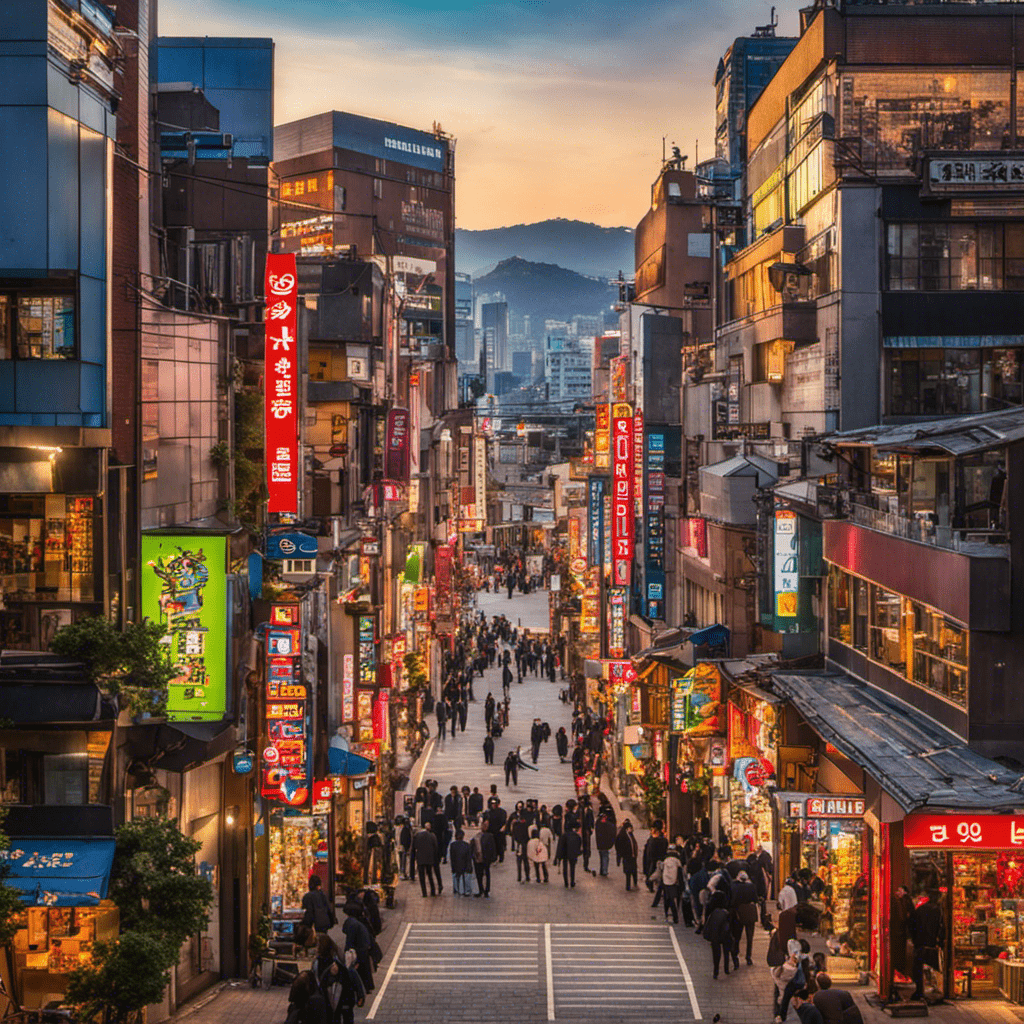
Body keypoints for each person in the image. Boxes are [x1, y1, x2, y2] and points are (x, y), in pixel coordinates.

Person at [311, 934, 364, 1024]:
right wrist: (360, 994)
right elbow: (353, 975)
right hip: (344, 999)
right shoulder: (339, 959)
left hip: (328, 1001)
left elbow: (315, 980)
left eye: (317, 946)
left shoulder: (317, 963)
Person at [909, 890, 944, 1002]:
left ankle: (920, 991)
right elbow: (941, 927)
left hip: (920, 943)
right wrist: (940, 941)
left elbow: (912, 925)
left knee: (919, 968)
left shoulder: (920, 909)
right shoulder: (938, 911)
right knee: (933, 968)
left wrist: (914, 940)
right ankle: (934, 991)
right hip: (932, 944)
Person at [341, 900, 376, 995]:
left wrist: (347, 952)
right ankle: (367, 987)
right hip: (363, 948)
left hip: (359, 949)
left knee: (357, 970)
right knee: (364, 970)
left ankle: (359, 988)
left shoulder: (352, 923)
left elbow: (349, 940)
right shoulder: (358, 923)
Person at [730, 869, 759, 967]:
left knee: (737, 936)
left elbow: (732, 901)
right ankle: (748, 957)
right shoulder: (751, 886)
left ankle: (735, 956)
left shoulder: (734, 886)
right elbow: (755, 899)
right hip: (750, 912)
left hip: (739, 912)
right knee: (750, 937)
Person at [703, 889, 732, 979]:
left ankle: (716, 971)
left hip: (714, 933)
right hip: (725, 933)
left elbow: (706, 919)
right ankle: (726, 968)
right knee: (726, 951)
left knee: (716, 953)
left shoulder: (711, 909)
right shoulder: (726, 911)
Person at [891, 885, 915, 985]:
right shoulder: (900, 901)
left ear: (905, 892)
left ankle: (901, 973)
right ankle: (900, 973)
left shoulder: (904, 902)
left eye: (900, 890)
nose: (897, 892)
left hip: (902, 932)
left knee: (901, 954)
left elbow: (904, 917)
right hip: (902, 932)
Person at [413, 821, 439, 897]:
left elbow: (415, 847)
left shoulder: (417, 836)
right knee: (430, 874)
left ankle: (424, 892)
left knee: (422, 876)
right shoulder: (432, 836)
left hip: (420, 858)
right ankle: (433, 890)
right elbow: (436, 847)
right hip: (429, 858)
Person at [554, 822, 583, 888]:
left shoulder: (563, 836)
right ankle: (572, 882)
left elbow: (559, 847)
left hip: (565, 853)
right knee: (572, 868)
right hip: (573, 854)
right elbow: (579, 846)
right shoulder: (577, 836)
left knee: (565, 867)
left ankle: (566, 882)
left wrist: (557, 857)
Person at [660, 843, 684, 924]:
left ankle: (666, 914)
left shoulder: (665, 860)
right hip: (674, 882)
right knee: (674, 899)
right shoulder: (678, 861)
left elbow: (662, 870)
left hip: (666, 881)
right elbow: (680, 874)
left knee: (667, 898)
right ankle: (675, 917)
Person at [471, 822, 496, 898]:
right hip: (481, 858)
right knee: (481, 874)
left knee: (483, 874)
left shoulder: (487, 836)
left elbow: (492, 848)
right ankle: (482, 889)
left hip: (483, 858)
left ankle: (484, 890)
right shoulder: (479, 836)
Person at [643, 822, 669, 894]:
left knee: (653, 874)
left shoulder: (652, 840)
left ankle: (651, 884)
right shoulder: (661, 840)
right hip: (657, 860)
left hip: (652, 860)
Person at [449, 828, 475, 896]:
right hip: (465, 865)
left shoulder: (453, 845)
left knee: (456, 877)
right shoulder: (466, 845)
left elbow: (452, 857)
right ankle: (467, 891)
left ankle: (456, 890)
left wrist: (453, 867)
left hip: (456, 865)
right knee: (466, 878)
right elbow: (469, 857)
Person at [615, 820, 638, 891]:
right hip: (627, 856)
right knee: (628, 872)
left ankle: (635, 882)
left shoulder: (630, 834)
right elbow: (618, 847)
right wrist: (619, 858)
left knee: (634, 870)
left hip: (632, 856)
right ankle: (628, 886)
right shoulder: (622, 835)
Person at [594, 807, 616, 877]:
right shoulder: (609, 823)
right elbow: (613, 831)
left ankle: (602, 870)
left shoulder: (598, 821)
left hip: (600, 842)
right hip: (606, 843)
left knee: (602, 856)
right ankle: (604, 871)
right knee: (605, 856)